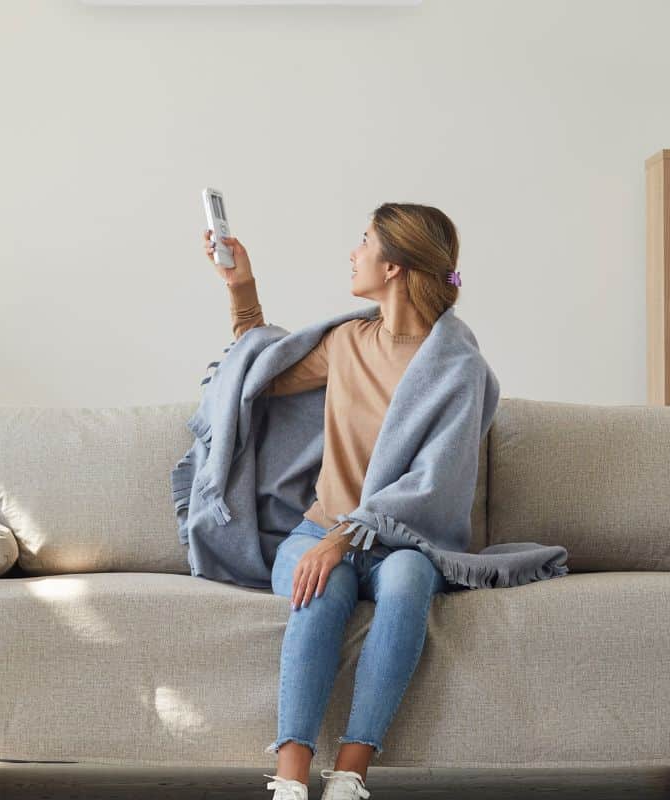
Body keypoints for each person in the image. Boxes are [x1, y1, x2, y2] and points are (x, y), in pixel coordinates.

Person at [202, 203, 468, 800]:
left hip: (406, 540)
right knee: (319, 586)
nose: (354, 252)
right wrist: (241, 289)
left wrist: (343, 538)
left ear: (394, 266)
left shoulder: (456, 366)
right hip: (317, 530)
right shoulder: (348, 342)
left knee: (405, 581)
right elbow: (259, 370)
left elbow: (435, 483)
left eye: (364, 240)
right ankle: (292, 778)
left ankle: (350, 773)